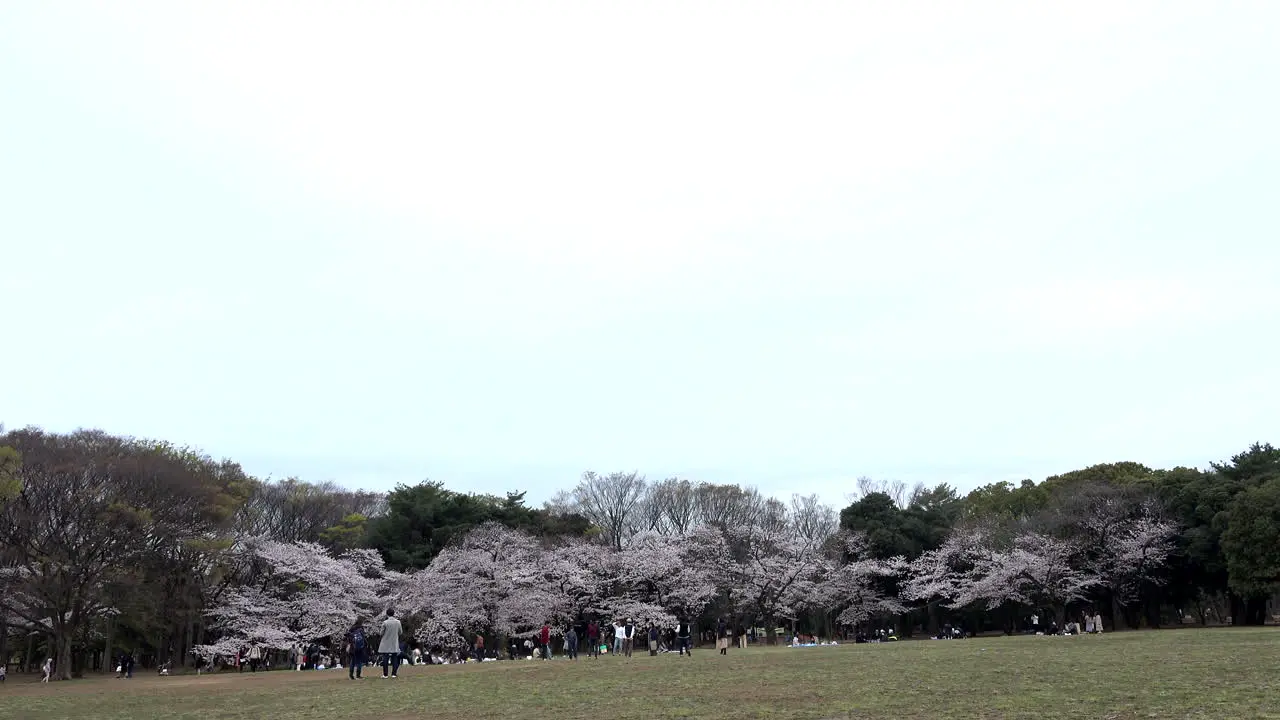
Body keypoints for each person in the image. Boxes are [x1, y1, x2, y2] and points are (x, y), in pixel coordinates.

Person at [378, 608, 403, 678]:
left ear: (387, 614)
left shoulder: (385, 622)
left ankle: (385, 674)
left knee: (385, 658)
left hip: (385, 642)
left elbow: (381, 633)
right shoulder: (398, 622)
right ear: (393, 614)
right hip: (394, 642)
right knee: (394, 658)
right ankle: (394, 674)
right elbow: (400, 632)